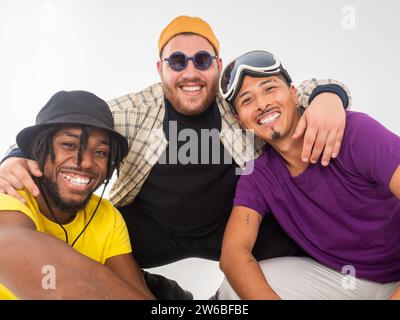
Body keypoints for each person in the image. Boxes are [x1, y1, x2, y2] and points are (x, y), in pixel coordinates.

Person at [0, 16, 351, 299]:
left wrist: (329, 96)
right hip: (149, 231)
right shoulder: (135, 110)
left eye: (201, 60)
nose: (190, 73)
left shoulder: (237, 103)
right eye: (177, 61)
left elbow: (290, 91)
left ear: (217, 65)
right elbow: (65, 124)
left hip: (224, 225)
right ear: (160, 68)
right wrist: (15, 155)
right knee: (88, 260)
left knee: (298, 247)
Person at [216, 50, 400, 300]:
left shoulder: (355, 132)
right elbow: (233, 254)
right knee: (233, 290)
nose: (261, 104)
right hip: (344, 282)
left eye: (269, 89)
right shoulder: (258, 176)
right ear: (240, 121)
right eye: (247, 100)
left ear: (293, 93)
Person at [0, 90, 155, 300]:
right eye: (69, 145)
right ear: (39, 150)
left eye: (101, 152)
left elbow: (141, 294)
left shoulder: (107, 215)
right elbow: (55, 286)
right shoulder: (8, 194)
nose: (86, 162)